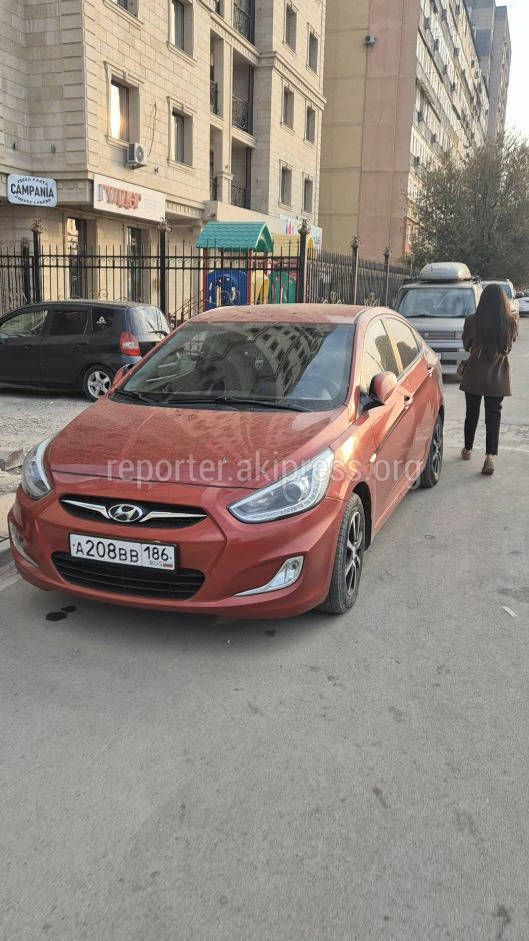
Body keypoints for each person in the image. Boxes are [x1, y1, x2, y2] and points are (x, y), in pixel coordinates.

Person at [460, 283, 517, 475]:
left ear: (482, 299)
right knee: (493, 416)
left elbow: (467, 345)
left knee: (471, 412)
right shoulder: (510, 322)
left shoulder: (472, 320)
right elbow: (509, 347)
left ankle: (468, 449)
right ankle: (489, 457)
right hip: (498, 375)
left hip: (474, 374)